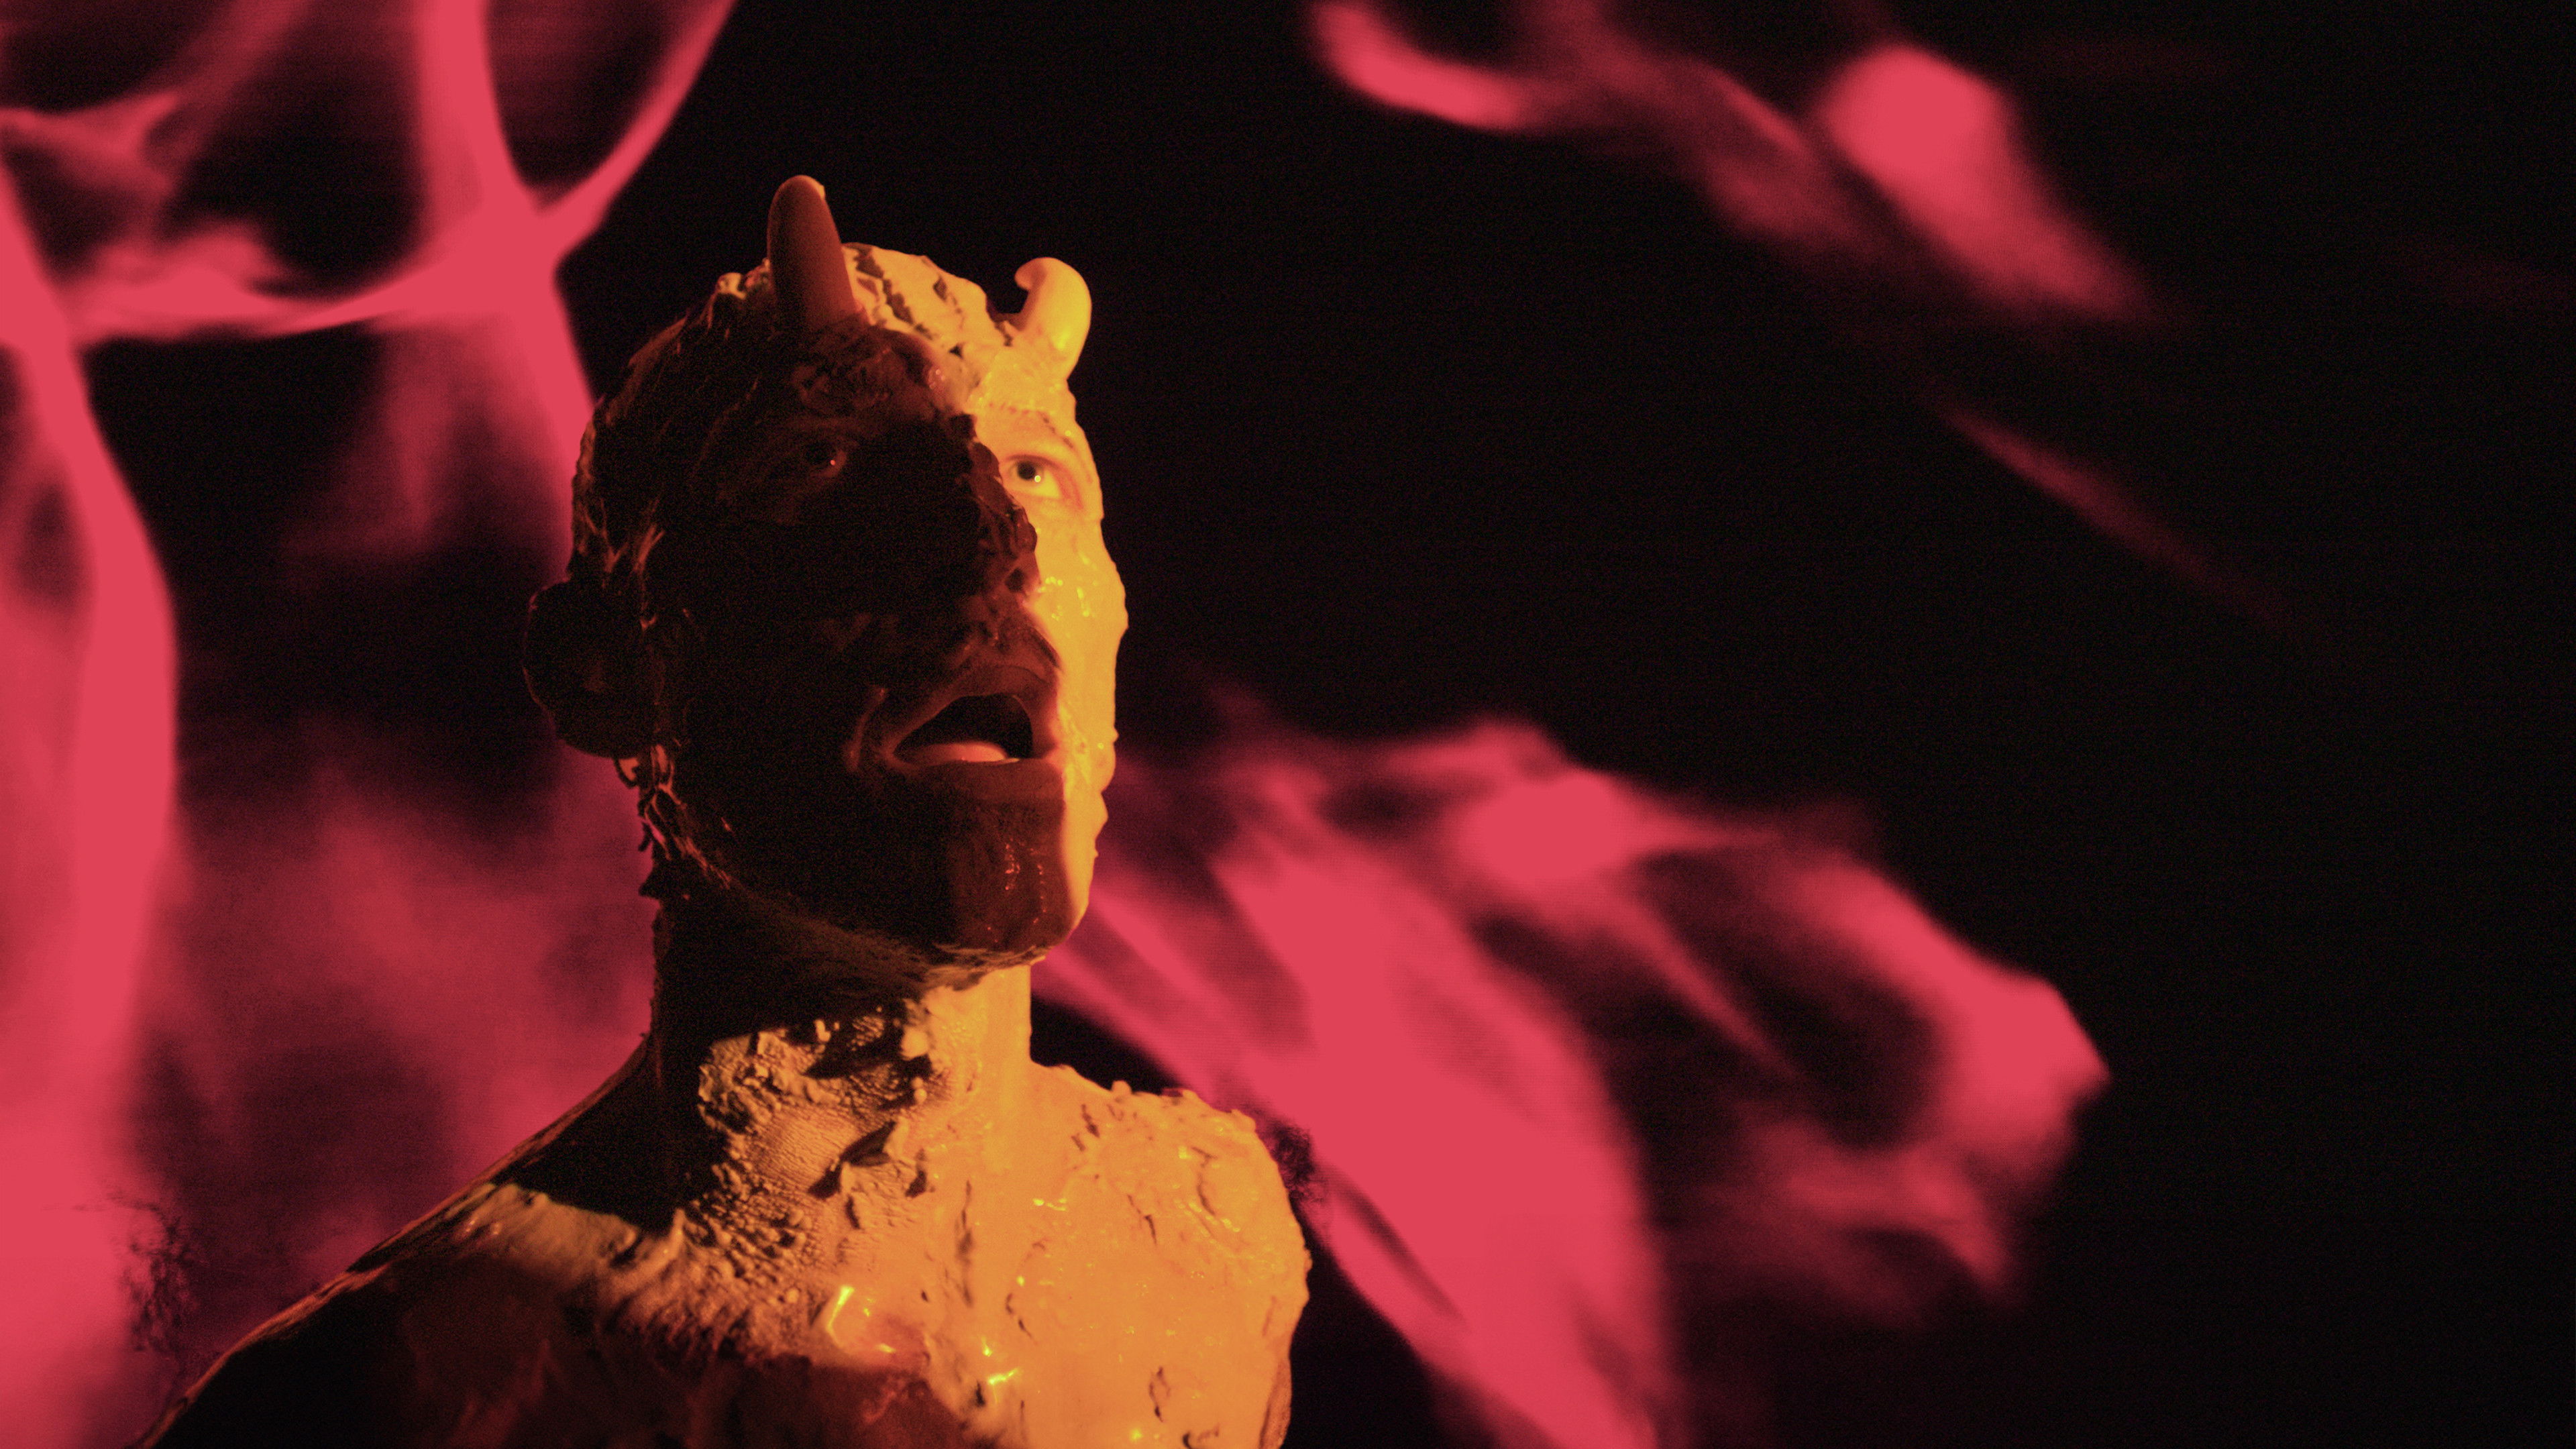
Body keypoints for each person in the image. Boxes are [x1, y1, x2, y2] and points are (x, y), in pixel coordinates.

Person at [140, 177, 1307, 1449]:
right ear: (604, 674)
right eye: (819, 465)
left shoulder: (1209, 1246)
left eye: (1036, 472)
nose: (992, 554)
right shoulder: (401, 1397)